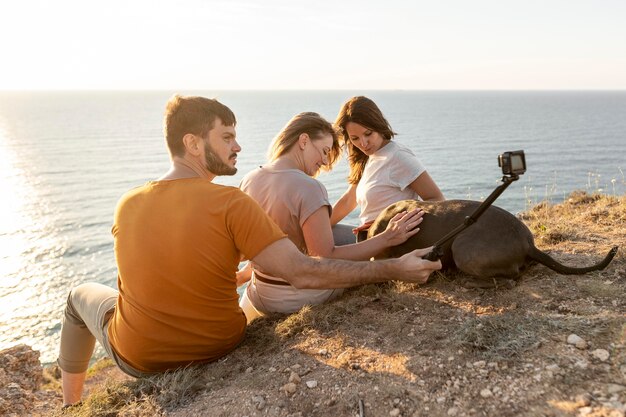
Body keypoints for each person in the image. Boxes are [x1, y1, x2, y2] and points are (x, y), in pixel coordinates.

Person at [57, 95, 441, 407]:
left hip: (140, 357)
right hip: (220, 343)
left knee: (78, 297)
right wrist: (393, 267)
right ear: (192, 143)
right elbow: (304, 270)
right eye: (226, 137)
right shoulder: (231, 203)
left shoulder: (128, 203)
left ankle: (71, 406)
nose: (238, 146)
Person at [238, 112, 425, 320]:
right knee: (363, 263)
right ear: (304, 140)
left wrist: (245, 274)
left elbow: (264, 243)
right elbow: (325, 258)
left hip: (260, 293)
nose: (325, 161)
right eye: (325, 151)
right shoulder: (309, 187)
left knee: (337, 233)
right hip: (296, 296)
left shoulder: (250, 178)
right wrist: (387, 237)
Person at [331, 96, 445, 240]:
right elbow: (349, 200)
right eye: (355, 138)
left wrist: (393, 222)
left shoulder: (398, 156)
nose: (363, 143)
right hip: (368, 237)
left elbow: (437, 199)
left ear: (378, 126)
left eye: (368, 134)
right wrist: (316, 227)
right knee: (318, 235)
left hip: (391, 243)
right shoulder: (366, 158)